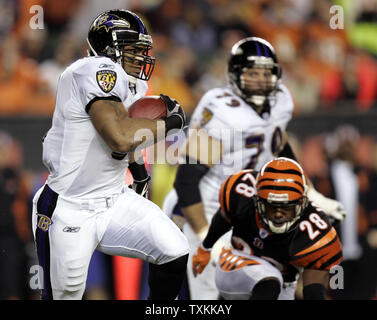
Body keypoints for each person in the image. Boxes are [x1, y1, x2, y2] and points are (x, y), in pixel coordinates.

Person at [163, 37, 345, 299]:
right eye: (252, 72)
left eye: (265, 72)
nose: (260, 79)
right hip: (206, 210)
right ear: (235, 74)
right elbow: (187, 182)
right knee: (206, 298)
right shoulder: (222, 110)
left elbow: (279, 147)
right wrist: (207, 238)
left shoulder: (280, 101)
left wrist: (312, 194)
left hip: (250, 212)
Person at [31, 9, 189, 300]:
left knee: (175, 251)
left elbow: (126, 136)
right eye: (133, 49)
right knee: (64, 295)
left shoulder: (133, 83)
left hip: (115, 199)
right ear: (107, 48)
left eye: (143, 50)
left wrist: (139, 173)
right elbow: (118, 137)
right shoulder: (92, 70)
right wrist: (170, 123)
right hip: (69, 207)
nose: (141, 57)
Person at [192, 157, 343, 300]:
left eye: (286, 207)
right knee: (269, 280)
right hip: (234, 263)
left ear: (302, 203)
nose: (278, 214)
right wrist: (206, 247)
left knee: (273, 283)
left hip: (284, 285)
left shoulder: (315, 229)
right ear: (257, 200)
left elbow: (314, 289)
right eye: (272, 206)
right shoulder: (242, 192)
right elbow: (224, 217)